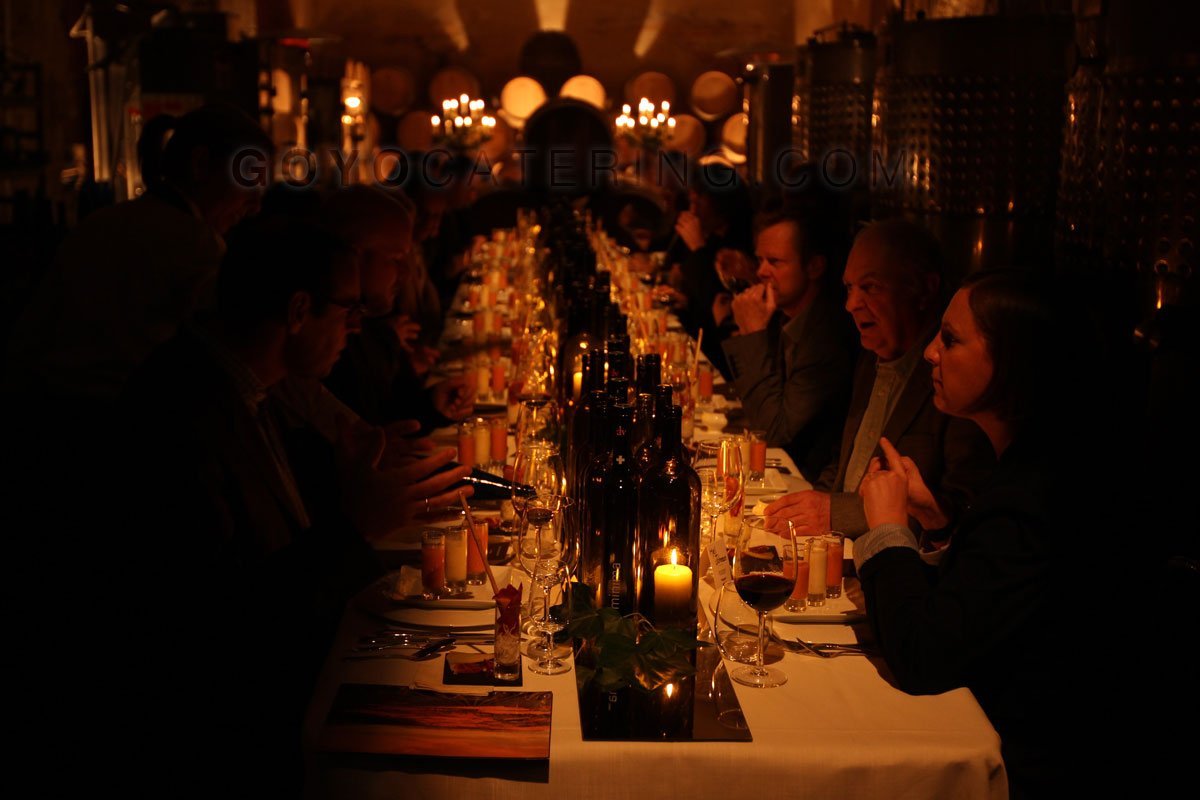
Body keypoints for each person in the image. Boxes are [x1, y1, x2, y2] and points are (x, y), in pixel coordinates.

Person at [116, 220, 471, 792]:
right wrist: (355, 527)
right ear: (300, 310)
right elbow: (214, 622)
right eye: (347, 310)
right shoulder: (180, 413)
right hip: (229, 738)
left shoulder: (247, 385)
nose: (357, 328)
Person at [853, 269, 1105, 797]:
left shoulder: (1033, 499)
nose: (928, 353)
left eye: (951, 339)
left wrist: (889, 531)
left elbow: (922, 658)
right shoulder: (1029, 468)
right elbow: (985, 602)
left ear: (1012, 361)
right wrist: (938, 524)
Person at [766, 218, 993, 539]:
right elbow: (846, 464)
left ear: (925, 290)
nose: (851, 304)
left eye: (870, 287)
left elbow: (956, 514)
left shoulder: (952, 377)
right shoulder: (870, 357)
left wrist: (834, 512)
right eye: (848, 288)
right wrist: (808, 504)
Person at [719, 207, 856, 479]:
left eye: (775, 262)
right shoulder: (782, 316)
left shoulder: (827, 335)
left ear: (814, 266)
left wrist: (751, 335)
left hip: (808, 480)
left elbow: (772, 432)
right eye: (759, 260)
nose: (761, 272)